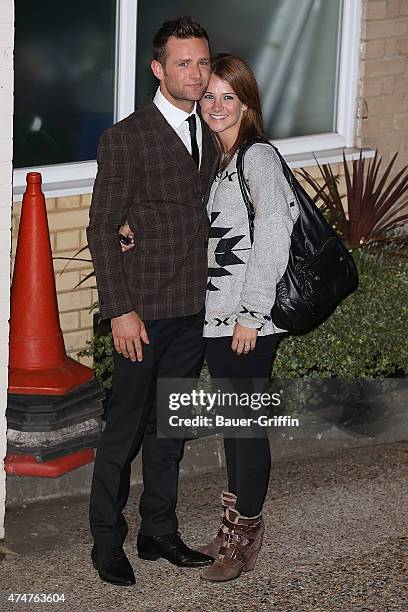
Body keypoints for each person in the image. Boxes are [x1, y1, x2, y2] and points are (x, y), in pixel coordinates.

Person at [87, 17, 219, 587]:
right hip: (141, 313)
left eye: (203, 62)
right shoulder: (127, 136)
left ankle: (158, 531)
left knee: (171, 429)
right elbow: (100, 226)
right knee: (124, 431)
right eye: (183, 63)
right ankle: (106, 540)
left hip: (192, 307)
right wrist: (120, 308)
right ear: (157, 68)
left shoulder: (213, 131)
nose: (195, 73)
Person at [197, 54, 299, 582]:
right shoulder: (220, 160)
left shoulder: (256, 157)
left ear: (247, 104)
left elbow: (276, 232)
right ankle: (232, 521)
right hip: (219, 318)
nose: (216, 106)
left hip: (246, 322)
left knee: (246, 429)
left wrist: (253, 314)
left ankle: (245, 535)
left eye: (227, 97)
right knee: (234, 426)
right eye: (209, 96)